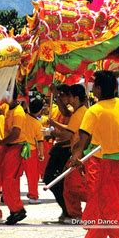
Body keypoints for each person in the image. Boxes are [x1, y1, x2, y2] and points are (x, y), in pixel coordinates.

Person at [70, 70, 119, 238]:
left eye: (94, 86)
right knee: (106, 210)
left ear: (98, 89)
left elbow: (82, 141)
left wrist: (75, 159)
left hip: (109, 165)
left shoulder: (94, 110)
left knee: (109, 215)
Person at [49, 84, 88, 222]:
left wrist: (53, 132)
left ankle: (77, 214)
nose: (68, 99)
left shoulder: (80, 113)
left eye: (69, 96)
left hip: (79, 154)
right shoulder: (79, 112)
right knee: (70, 186)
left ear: (76, 97)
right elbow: (70, 129)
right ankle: (75, 213)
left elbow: (67, 134)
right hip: (77, 153)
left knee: (74, 187)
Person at [0, 88, 27, 225]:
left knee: (9, 180)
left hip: (16, 148)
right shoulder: (7, 107)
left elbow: (15, 133)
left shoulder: (18, 112)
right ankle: (14, 210)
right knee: (8, 181)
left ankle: (18, 209)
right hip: (8, 148)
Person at [43, 84, 73, 222]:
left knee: (57, 181)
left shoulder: (71, 109)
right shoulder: (57, 110)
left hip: (66, 149)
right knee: (51, 179)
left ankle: (69, 210)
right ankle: (66, 208)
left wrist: (55, 95)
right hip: (58, 147)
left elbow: (67, 114)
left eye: (62, 95)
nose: (59, 98)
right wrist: (51, 133)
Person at [22, 98, 45, 204]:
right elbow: (40, 141)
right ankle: (33, 196)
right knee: (32, 175)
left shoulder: (22, 117)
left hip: (18, 148)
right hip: (31, 150)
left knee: (13, 174)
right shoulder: (37, 124)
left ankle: (5, 194)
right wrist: (41, 154)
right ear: (40, 110)